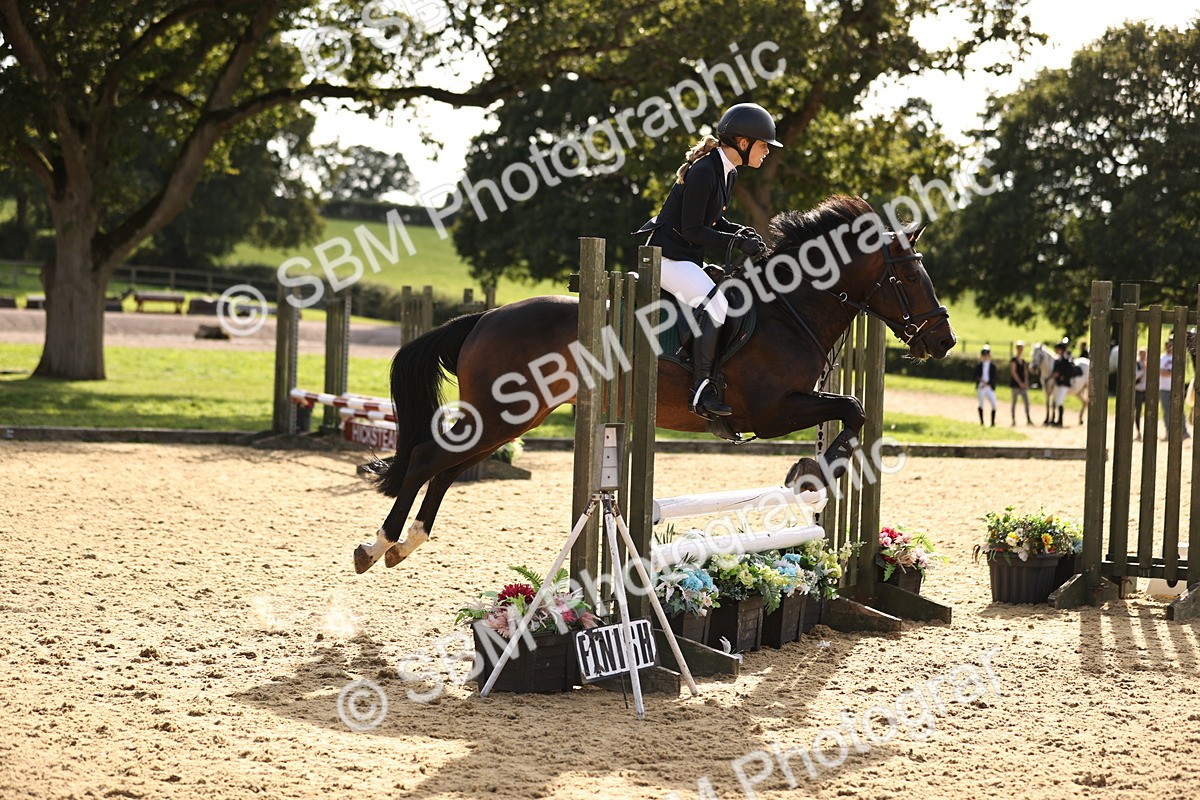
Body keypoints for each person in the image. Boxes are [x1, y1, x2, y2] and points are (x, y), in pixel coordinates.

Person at [634, 102, 781, 420]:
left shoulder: (725, 172)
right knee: (716, 304)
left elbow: (711, 222)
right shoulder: (704, 172)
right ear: (743, 144)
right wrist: (735, 241)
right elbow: (692, 229)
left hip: (683, 257)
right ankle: (702, 388)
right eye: (763, 145)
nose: (767, 151)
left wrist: (742, 232)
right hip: (665, 257)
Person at [1159, 337, 1191, 440]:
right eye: (1168, 344)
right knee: (1167, 412)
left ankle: (1184, 432)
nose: (1169, 347)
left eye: (1171, 345)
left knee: (1180, 411)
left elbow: (1180, 372)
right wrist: (1172, 372)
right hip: (1164, 388)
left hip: (1177, 388)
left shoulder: (1177, 358)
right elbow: (1161, 373)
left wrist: (1168, 372)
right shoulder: (1162, 358)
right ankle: (1169, 433)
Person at [1049, 339, 1074, 427]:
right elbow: (1055, 371)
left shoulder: (1066, 361)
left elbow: (1069, 372)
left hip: (1064, 384)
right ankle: (1053, 419)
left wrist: (1062, 376)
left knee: (1059, 401)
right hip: (1057, 383)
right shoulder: (1057, 360)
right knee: (1054, 400)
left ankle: (1060, 421)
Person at [973, 345, 998, 426]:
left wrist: (987, 384)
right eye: (984, 355)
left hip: (989, 387)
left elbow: (994, 377)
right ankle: (982, 422)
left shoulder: (993, 366)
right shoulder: (979, 366)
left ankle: (992, 422)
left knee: (994, 404)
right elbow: (976, 376)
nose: (985, 356)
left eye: (987, 355)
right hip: (981, 386)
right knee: (981, 404)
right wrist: (982, 382)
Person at [1009, 340, 1033, 425]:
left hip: (1023, 385)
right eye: (1019, 348)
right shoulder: (1013, 360)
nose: (1020, 349)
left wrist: (1026, 382)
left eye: (1021, 348)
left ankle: (1028, 418)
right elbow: (1014, 372)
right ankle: (1013, 419)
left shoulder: (1022, 361)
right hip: (1016, 385)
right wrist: (1020, 383)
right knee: (1014, 402)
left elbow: (1025, 372)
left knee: (1026, 402)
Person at [1133, 347, 1148, 441]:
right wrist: (1142, 370)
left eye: (1144, 354)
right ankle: (1138, 432)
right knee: (1138, 411)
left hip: (1146, 391)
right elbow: (1134, 376)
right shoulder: (1137, 365)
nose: (1143, 356)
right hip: (1138, 390)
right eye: (1141, 354)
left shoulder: (1148, 364)